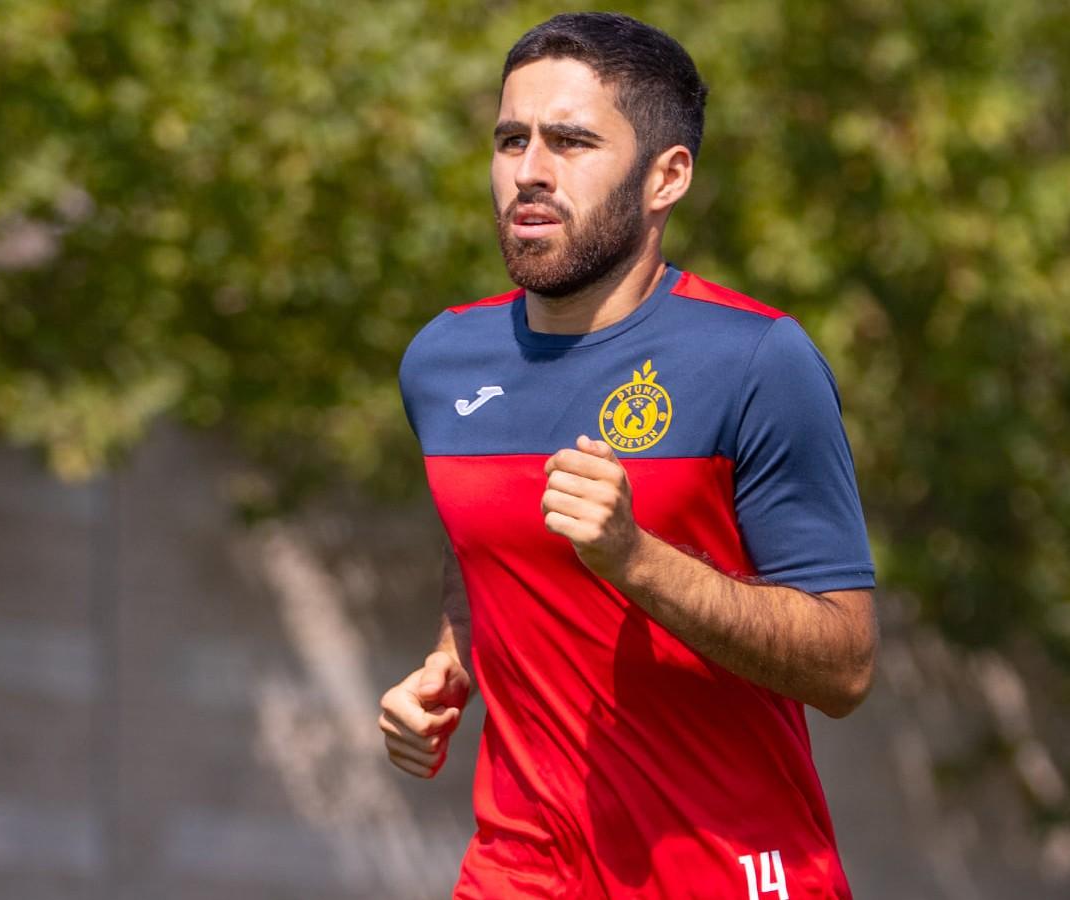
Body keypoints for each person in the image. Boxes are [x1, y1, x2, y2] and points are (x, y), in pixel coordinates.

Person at [382, 12, 877, 899]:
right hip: (518, 871)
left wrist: (637, 559)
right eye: (511, 139)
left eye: (571, 142)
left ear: (666, 177)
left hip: (728, 872)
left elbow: (844, 666)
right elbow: (482, 549)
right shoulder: (442, 361)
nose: (529, 171)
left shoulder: (757, 360)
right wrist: (449, 660)